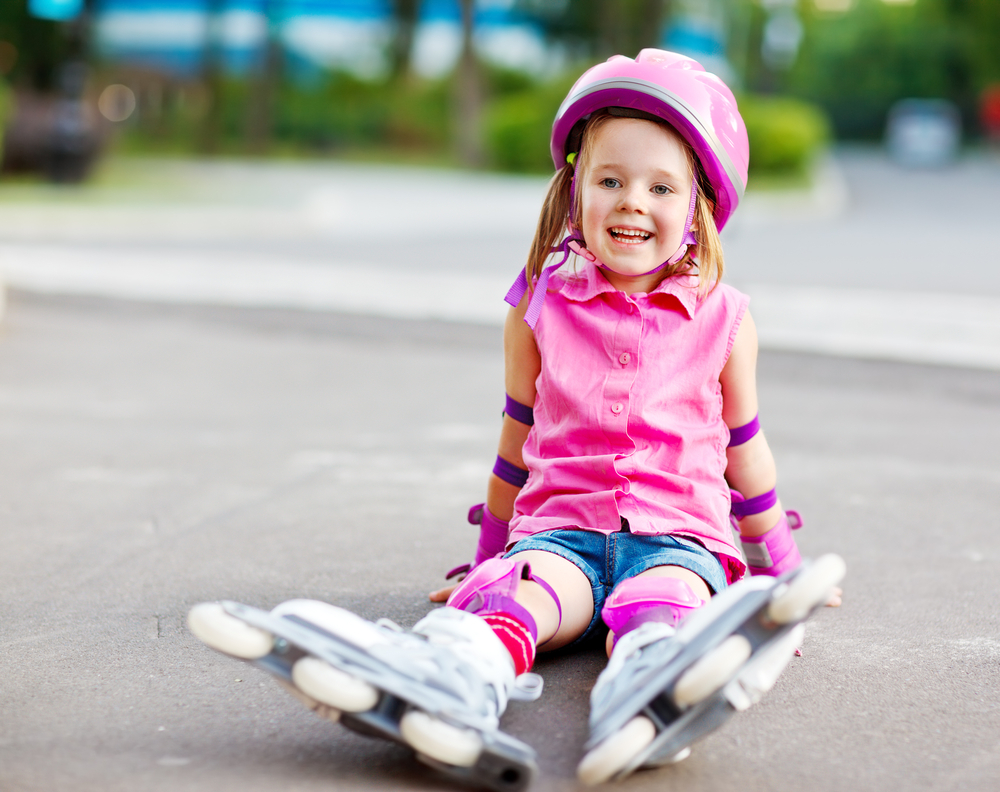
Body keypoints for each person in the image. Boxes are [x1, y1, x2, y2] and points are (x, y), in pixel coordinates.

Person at [188, 49, 844, 790]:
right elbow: (516, 441)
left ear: (696, 207)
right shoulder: (538, 305)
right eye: (611, 180)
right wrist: (488, 556)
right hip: (559, 534)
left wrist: (782, 572)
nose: (632, 201)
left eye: (661, 187)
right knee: (515, 595)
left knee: (663, 602)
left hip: (678, 539)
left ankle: (660, 677)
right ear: (574, 194)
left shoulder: (726, 319)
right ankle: (450, 675)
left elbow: (746, 456)